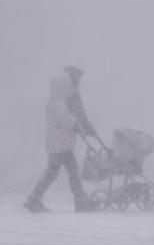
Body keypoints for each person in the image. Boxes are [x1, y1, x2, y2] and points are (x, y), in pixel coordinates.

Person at [24, 72, 91, 213]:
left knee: (51, 174)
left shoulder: (52, 103)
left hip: (56, 145)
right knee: (73, 173)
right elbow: (65, 121)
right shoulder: (59, 104)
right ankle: (81, 202)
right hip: (62, 145)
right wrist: (76, 124)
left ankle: (34, 199)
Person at [63, 65, 98, 139]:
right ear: (73, 77)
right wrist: (87, 126)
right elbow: (78, 110)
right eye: (78, 78)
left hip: (69, 126)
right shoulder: (72, 91)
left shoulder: (66, 90)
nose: (79, 80)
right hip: (72, 125)